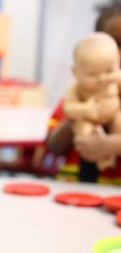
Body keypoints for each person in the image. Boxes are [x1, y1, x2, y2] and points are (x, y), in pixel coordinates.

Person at [47, 0, 121, 183]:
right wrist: (74, 118)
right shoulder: (78, 93)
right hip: (74, 189)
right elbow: (53, 146)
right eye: (115, 43)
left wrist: (112, 145)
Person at [63, 32, 121, 171]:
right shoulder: (76, 88)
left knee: (119, 122)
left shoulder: (116, 80)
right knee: (83, 131)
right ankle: (98, 159)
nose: (102, 78)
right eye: (92, 74)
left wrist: (111, 145)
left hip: (114, 114)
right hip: (88, 118)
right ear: (76, 72)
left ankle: (109, 156)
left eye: (109, 70)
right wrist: (83, 110)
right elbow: (68, 107)